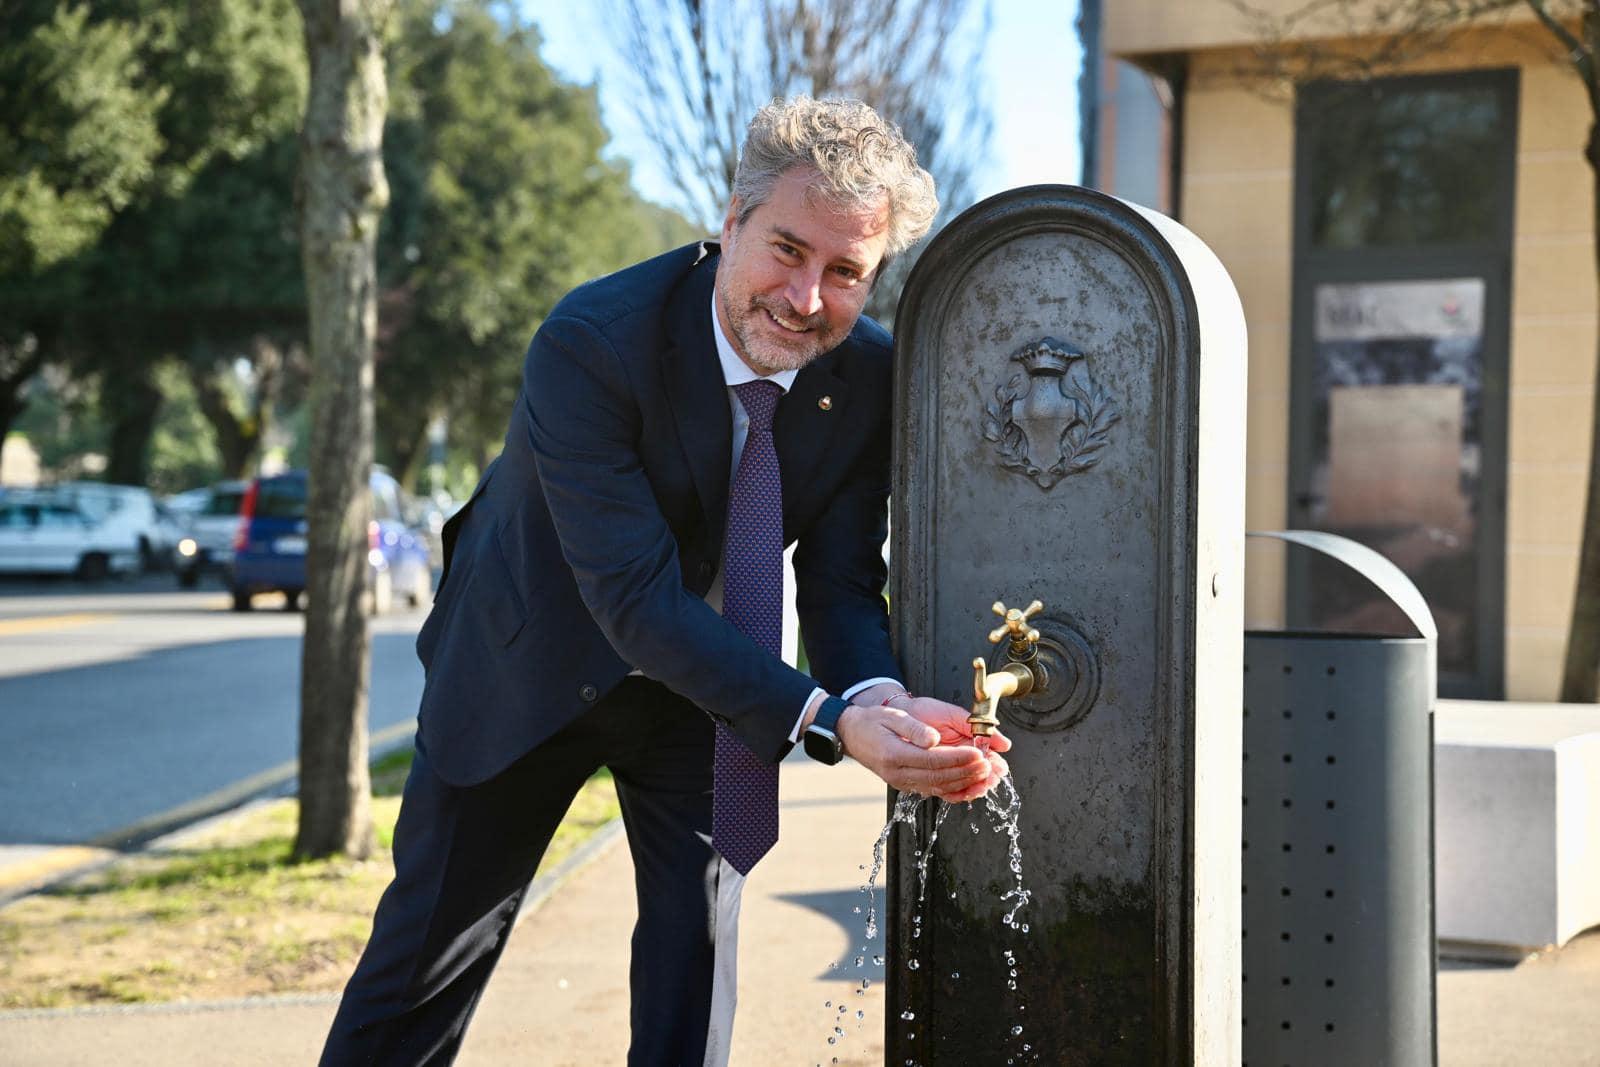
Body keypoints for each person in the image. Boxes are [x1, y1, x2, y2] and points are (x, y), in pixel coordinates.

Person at [320, 95, 1011, 1067]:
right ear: (730, 222)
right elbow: (634, 599)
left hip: (708, 686)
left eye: (846, 270)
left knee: (696, 959)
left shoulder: (867, 379)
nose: (808, 297)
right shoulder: (590, 342)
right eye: (786, 248)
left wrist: (873, 693)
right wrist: (822, 718)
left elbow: (844, 579)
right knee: (425, 963)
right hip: (524, 658)